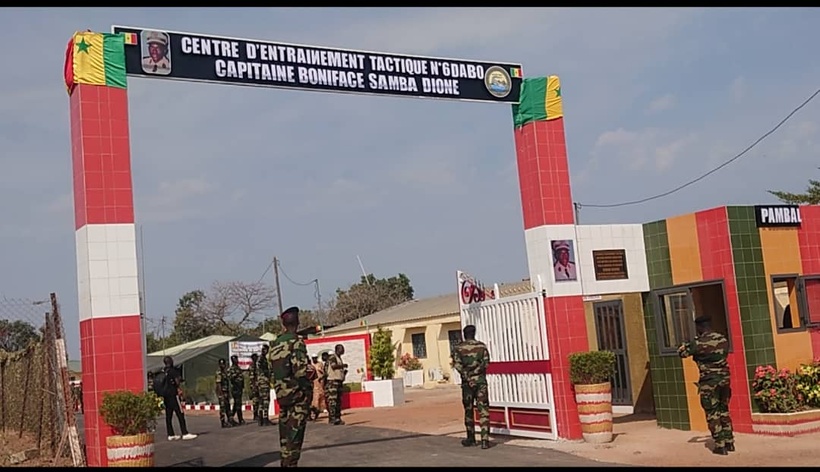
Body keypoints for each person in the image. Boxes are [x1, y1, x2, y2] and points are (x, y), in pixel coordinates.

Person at [678, 315, 735, 455]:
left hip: (709, 382)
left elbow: (682, 353)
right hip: (724, 380)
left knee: (712, 413)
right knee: (724, 410)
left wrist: (686, 344)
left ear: (700, 327)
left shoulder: (698, 343)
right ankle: (730, 442)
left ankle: (719, 445)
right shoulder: (722, 339)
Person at [269, 306, 316, 468]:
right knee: (295, 439)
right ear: (297, 322)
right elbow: (301, 372)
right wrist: (309, 386)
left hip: (282, 397)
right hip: (297, 398)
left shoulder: (275, 344)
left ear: (283, 323)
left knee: (284, 440)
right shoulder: (297, 343)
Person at [453, 324, 491, 450]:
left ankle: (471, 438)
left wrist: (468, 377)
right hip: (480, 382)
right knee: (483, 410)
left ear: (464, 334)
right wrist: (476, 374)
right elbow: (486, 363)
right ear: (474, 333)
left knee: (469, 410)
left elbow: (458, 366)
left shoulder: (459, 348)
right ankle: (485, 440)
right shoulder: (482, 346)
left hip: (467, 384)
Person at [158, 356, 197, 441]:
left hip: (166, 396)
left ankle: (170, 434)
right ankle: (185, 433)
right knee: (180, 413)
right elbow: (177, 381)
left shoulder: (164, 371)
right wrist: (178, 387)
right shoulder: (172, 371)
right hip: (173, 395)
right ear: (171, 361)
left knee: (169, 415)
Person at [325, 344, 347, 426]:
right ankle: (332, 418)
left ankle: (338, 418)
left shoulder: (339, 358)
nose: (343, 350)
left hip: (339, 382)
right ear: (337, 349)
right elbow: (334, 366)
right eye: (342, 348)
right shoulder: (333, 357)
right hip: (333, 382)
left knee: (338, 401)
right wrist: (343, 366)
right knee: (332, 401)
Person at [256, 344, 274, 426]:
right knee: (266, 400)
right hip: (264, 381)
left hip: (260, 381)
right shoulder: (262, 359)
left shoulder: (260, 359)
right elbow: (265, 371)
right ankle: (265, 419)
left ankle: (260, 419)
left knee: (261, 401)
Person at [215, 358, 236, 428]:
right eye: (221, 364)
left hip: (226, 392)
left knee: (228, 407)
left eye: (224, 364)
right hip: (222, 393)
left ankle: (230, 420)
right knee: (223, 408)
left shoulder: (224, 372)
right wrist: (221, 394)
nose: (223, 365)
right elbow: (218, 384)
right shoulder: (219, 373)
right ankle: (223, 422)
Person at [227, 355, 246, 425]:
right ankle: (240, 419)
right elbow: (230, 378)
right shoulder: (231, 369)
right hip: (235, 388)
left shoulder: (238, 368)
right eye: (235, 359)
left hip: (239, 388)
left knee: (237, 404)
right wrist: (236, 374)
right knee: (238, 404)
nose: (236, 360)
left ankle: (231, 417)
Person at [309, 355, 327, 421]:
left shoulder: (320, 364)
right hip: (314, 383)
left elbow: (324, 373)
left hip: (320, 382)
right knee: (315, 397)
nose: (314, 359)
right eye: (313, 358)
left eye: (315, 358)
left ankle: (322, 409)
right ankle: (315, 411)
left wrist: (321, 377)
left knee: (322, 395)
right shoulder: (311, 365)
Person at [249, 353, 260, 422]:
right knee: (255, 401)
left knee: (258, 400)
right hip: (254, 385)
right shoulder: (252, 366)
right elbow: (252, 377)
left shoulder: (257, 365)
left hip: (257, 384)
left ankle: (258, 414)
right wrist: (254, 386)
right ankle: (255, 415)